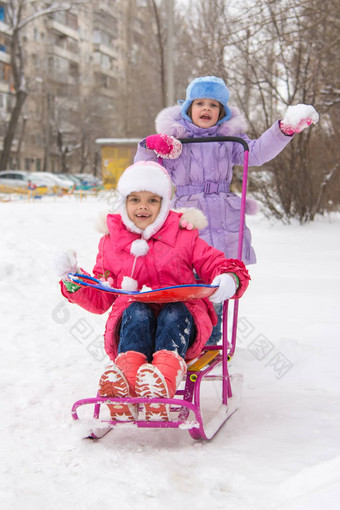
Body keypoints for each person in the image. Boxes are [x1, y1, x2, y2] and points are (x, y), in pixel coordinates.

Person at [55, 161, 250, 422]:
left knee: (172, 312)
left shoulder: (184, 235)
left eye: (152, 200)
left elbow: (212, 261)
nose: (143, 207)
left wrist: (229, 277)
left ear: (164, 203)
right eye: (135, 199)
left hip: (181, 324)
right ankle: (127, 384)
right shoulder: (111, 242)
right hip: (132, 327)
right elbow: (102, 296)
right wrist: (74, 280)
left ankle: (162, 384)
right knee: (135, 311)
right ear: (124, 203)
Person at [134, 75, 318, 343]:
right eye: (200, 103)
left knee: (216, 283)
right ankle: (179, 335)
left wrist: (284, 129)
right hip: (188, 217)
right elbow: (146, 173)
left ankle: (210, 339)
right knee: (188, 282)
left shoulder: (228, 139)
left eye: (213, 105)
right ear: (188, 107)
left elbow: (254, 152)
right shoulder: (176, 141)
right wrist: (150, 147)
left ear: (221, 112)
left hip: (222, 218)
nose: (206, 109)